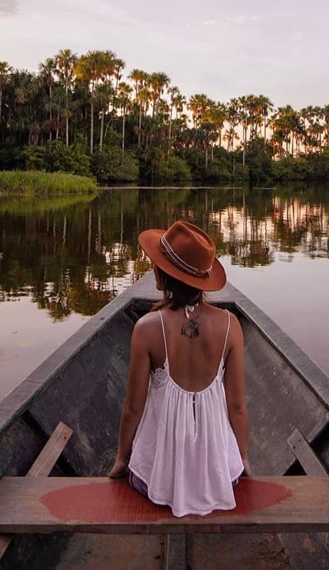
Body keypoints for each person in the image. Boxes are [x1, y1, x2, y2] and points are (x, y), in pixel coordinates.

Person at [109, 220, 250, 517]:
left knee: (139, 470)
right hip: (221, 477)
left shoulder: (146, 328)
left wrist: (122, 459)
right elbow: (237, 408)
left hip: (158, 481)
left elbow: (133, 408)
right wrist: (242, 460)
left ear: (164, 273)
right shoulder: (230, 326)